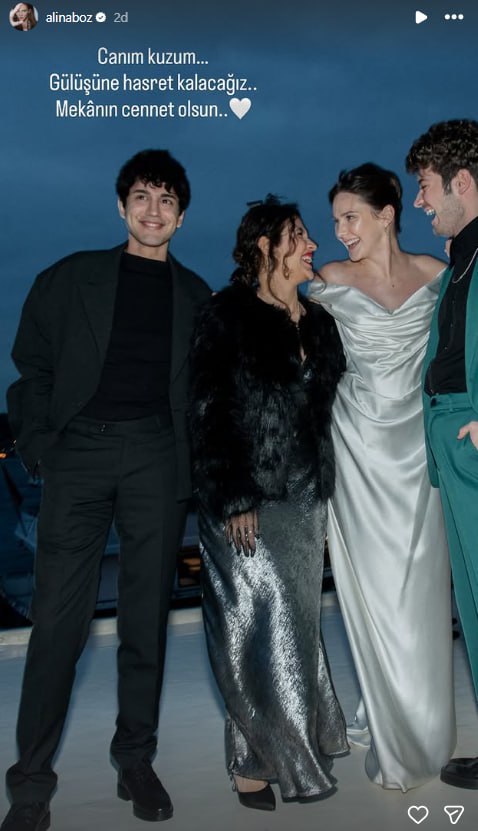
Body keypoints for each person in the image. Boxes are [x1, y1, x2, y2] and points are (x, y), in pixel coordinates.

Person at [2, 149, 210, 831]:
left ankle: (135, 759)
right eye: (142, 196)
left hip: (157, 457)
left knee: (145, 620)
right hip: (79, 454)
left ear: (182, 216)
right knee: (57, 622)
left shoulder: (196, 296)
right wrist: (40, 444)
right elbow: (31, 365)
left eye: (167, 200)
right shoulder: (70, 278)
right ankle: (31, 784)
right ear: (121, 206)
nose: (154, 210)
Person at [189, 196, 348, 811]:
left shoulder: (319, 321)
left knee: (296, 627)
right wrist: (235, 496)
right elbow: (209, 411)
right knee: (253, 629)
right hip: (247, 497)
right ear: (265, 245)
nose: (312, 245)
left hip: (306, 499)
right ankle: (263, 763)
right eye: (298, 235)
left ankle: (267, 754)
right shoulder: (226, 315)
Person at [308, 163, 456, 791]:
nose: (340, 231)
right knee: (374, 596)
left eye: (351, 217)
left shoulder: (437, 275)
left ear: (386, 214)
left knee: (420, 597)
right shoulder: (330, 280)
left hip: (420, 453)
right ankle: (395, 740)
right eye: (336, 220)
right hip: (358, 453)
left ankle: (425, 724)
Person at [406, 119, 478, 790]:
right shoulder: (462, 259)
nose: (420, 201)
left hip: (473, 437)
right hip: (452, 445)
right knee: (475, 607)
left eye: (426, 186)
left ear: (461, 182)